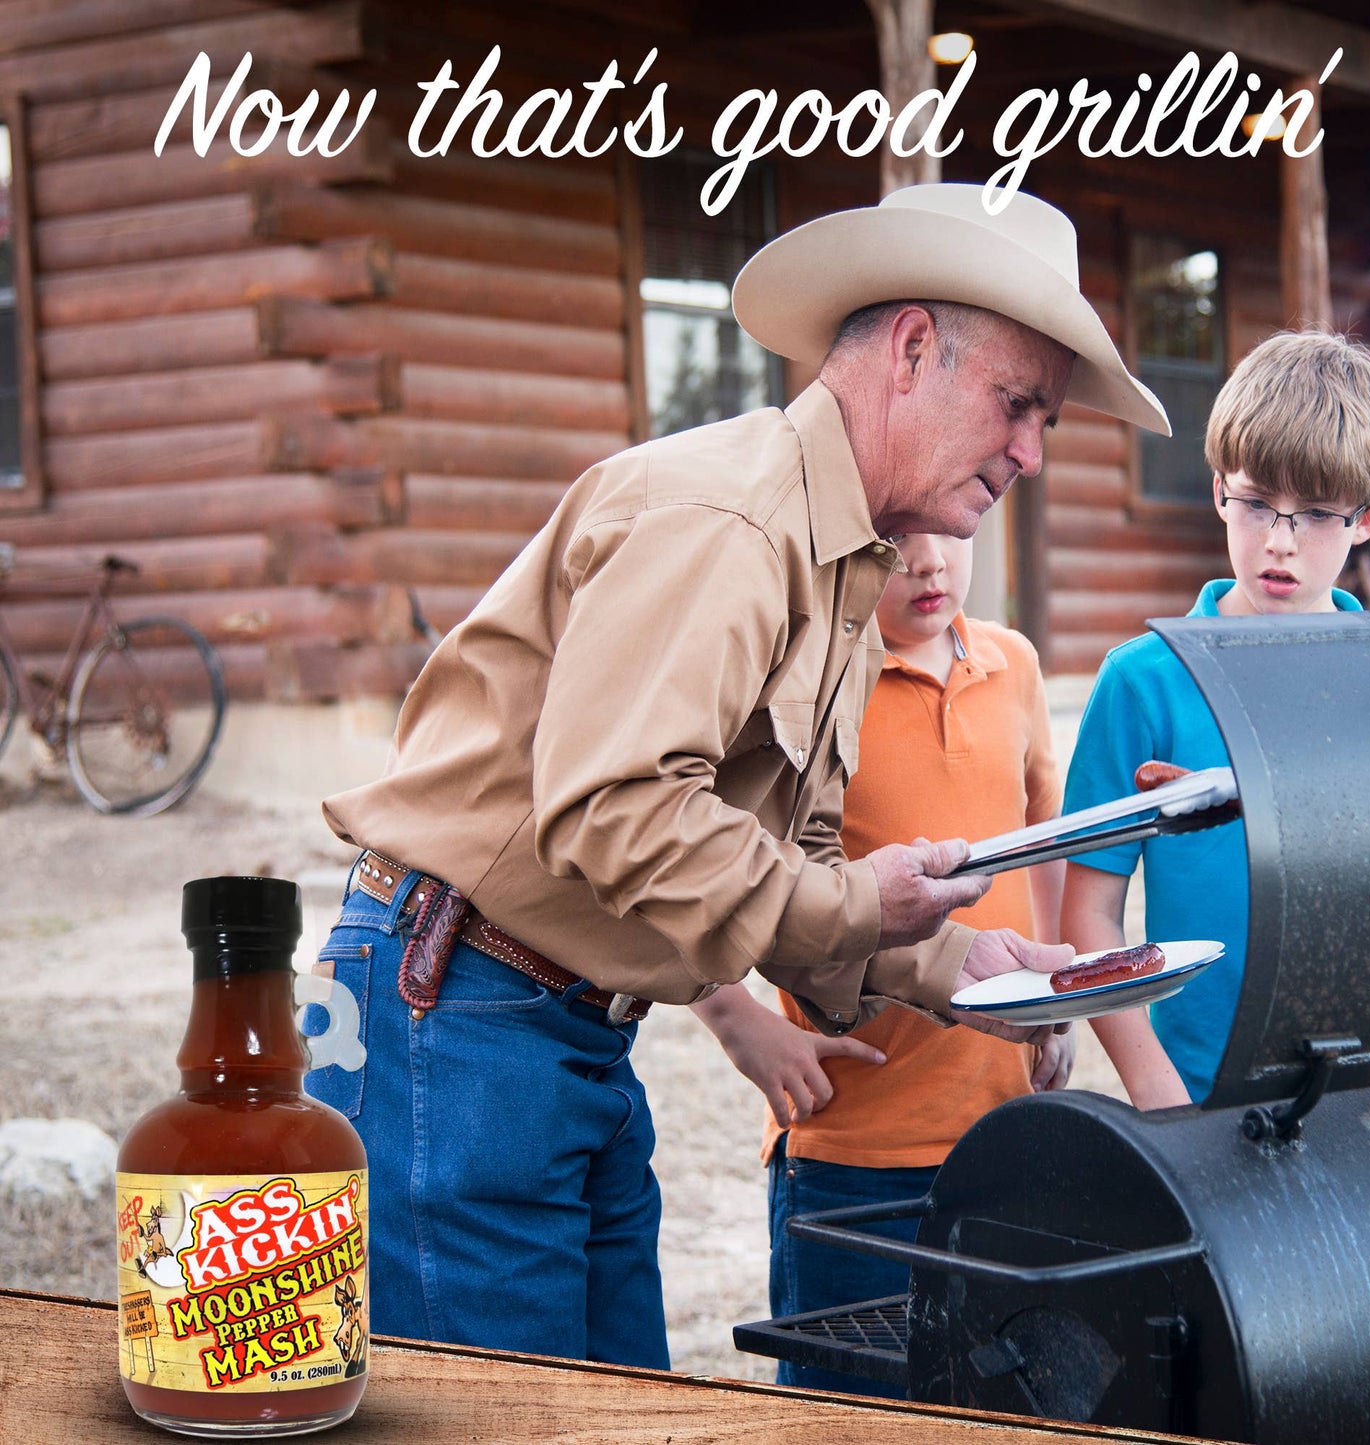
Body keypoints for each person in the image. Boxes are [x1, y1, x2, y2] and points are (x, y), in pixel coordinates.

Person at [303, 182, 1170, 1367]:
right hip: (453, 1010)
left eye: (1043, 422)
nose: (1028, 450)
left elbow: (781, 857)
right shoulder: (733, 519)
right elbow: (615, 808)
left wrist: (952, 961)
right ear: (912, 349)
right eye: (1016, 404)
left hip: (553, 1025)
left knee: (617, 1404)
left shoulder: (843, 564)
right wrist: (864, 902)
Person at [693, 530, 1072, 1397]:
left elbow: (1043, 835)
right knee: (853, 1409)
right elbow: (698, 861)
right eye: (898, 539)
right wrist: (736, 1018)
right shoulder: (809, 688)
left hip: (1000, 1137)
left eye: (952, 533)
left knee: (990, 1403)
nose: (928, 561)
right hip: (851, 1153)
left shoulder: (1013, 664)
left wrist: (1054, 999)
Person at [1060, 330, 1370, 1108]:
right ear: (1218, 490)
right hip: (1198, 1093)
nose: (1278, 542)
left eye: (1315, 513)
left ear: (1367, 516)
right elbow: (1089, 909)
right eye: (1255, 504)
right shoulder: (1141, 681)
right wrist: (1154, 1086)